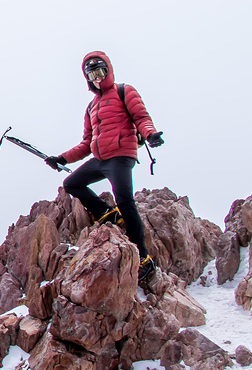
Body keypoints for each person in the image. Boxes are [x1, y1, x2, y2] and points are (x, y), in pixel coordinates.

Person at [44, 51, 164, 285]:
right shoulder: (91, 107)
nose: (97, 78)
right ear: (87, 78)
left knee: (126, 201)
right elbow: (86, 144)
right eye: (92, 74)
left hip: (121, 156)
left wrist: (150, 134)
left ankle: (143, 257)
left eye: (101, 71)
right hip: (100, 158)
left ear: (108, 70)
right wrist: (61, 159)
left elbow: (141, 116)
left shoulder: (123, 91)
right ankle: (107, 213)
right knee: (71, 183)